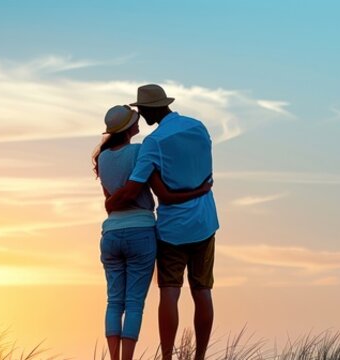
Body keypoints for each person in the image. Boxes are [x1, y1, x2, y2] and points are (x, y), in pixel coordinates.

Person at [105, 84, 221, 360]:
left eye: (142, 110)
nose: (142, 115)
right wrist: (200, 190)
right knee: (203, 291)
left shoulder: (153, 143)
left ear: (150, 109)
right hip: (204, 221)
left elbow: (137, 188)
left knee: (169, 292)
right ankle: (200, 357)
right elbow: (205, 169)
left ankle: (167, 357)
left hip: (172, 228)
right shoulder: (198, 127)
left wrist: (110, 203)